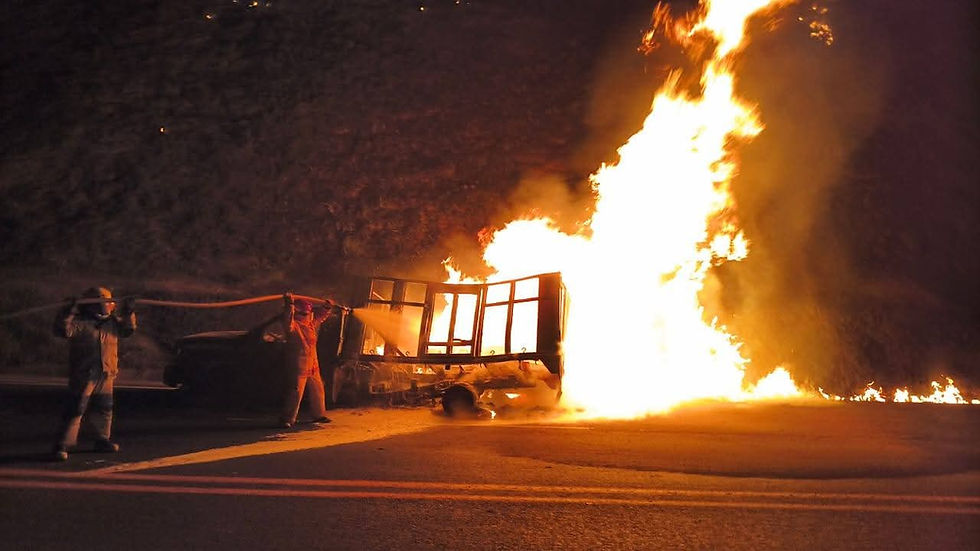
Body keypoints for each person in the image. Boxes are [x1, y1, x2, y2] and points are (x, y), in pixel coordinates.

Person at [52, 286, 137, 461]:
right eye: (102, 303)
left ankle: (102, 439)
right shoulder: (80, 322)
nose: (106, 307)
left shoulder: (112, 323)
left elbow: (128, 330)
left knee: (104, 408)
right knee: (76, 408)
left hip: (106, 372)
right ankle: (62, 444)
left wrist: (129, 311)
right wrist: (66, 311)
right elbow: (62, 330)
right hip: (84, 373)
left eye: (108, 303)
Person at [279, 294, 334, 428]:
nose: (307, 316)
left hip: (312, 364)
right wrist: (289, 304)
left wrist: (326, 308)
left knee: (318, 389)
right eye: (304, 314)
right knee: (296, 392)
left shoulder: (309, 324)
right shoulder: (293, 326)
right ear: (297, 313)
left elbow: (320, 317)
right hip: (299, 365)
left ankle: (318, 414)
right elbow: (287, 319)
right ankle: (287, 419)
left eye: (308, 314)